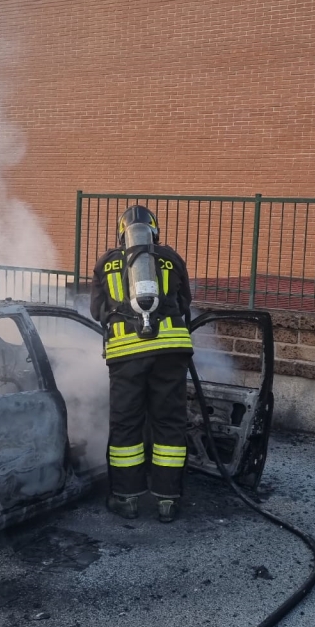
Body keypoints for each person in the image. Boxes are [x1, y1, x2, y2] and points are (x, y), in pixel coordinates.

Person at [90, 205, 194, 523]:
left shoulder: (106, 262)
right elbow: (185, 303)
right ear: (154, 231)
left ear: (121, 233)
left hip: (126, 353)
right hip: (172, 352)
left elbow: (97, 311)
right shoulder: (171, 258)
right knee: (169, 423)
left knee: (126, 425)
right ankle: (168, 502)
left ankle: (127, 499)